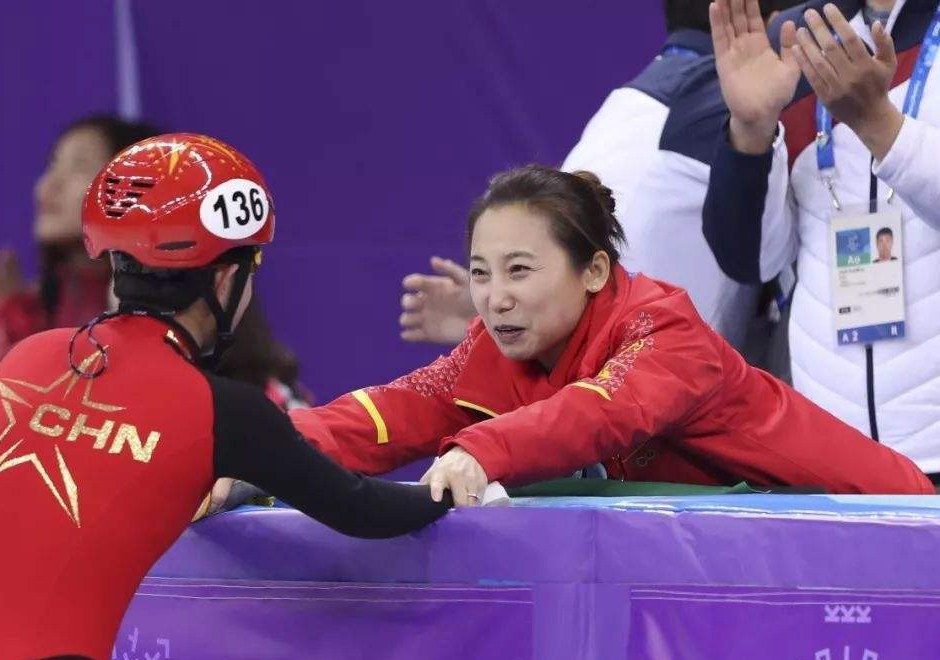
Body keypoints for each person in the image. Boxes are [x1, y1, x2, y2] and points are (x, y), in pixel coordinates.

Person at [0, 134, 450, 660]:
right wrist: (462, 478)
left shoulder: (27, 356)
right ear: (226, 279)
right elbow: (364, 510)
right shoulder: (225, 412)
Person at [292, 165, 933, 502]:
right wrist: (272, 450)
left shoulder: (665, 330)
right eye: (481, 273)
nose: (494, 296)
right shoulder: (494, 347)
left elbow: (598, 412)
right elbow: (399, 407)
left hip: (887, 526)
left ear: (594, 271)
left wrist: (479, 451)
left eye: (520, 270)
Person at [399, 0, 799, 362]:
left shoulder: (628, 103)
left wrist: (507, 317)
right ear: (772, 21)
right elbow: (764, 257)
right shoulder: (717, 99)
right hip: (645, 392)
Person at [0, 115, 307, 463]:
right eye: (52, 164)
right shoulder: (22, 317)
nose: (47, 185)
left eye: (78, 166)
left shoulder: (203, 315)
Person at [702, 0, 940, 485]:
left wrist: (880, 125)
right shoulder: (799, 38)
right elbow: (752, 260)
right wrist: (750, 130)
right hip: (829, 459)